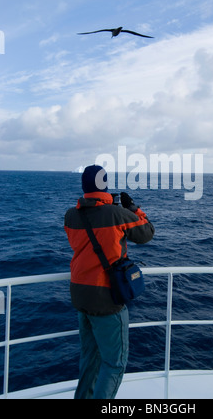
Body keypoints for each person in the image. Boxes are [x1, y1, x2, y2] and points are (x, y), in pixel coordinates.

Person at [64, 165, 154, 399]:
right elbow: (146, 233)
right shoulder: (117, 214)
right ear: (105, 185)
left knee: (90, 360)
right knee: (114, 363)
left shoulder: (71, 216)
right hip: (106, 297)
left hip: (79, 294)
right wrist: (134, 209)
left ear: (85, 186)